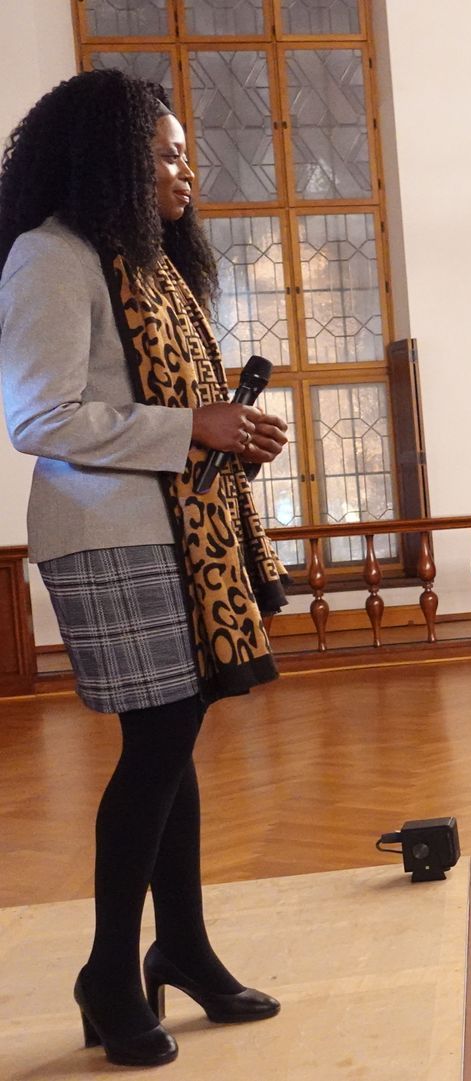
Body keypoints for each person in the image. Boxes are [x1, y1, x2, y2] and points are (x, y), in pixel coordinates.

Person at [0, 70, 291, 1067]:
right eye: (166, 154)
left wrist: (228, 432)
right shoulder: (50, 256)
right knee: (158, 743)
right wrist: (191, 425)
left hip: (175, 529)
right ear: (114, 159)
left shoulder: (147, 263)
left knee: (176, 735)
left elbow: (168, 408)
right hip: (106, 534)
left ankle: (187, 947)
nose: (186, 171)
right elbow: (37, 415)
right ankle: (109, 973)